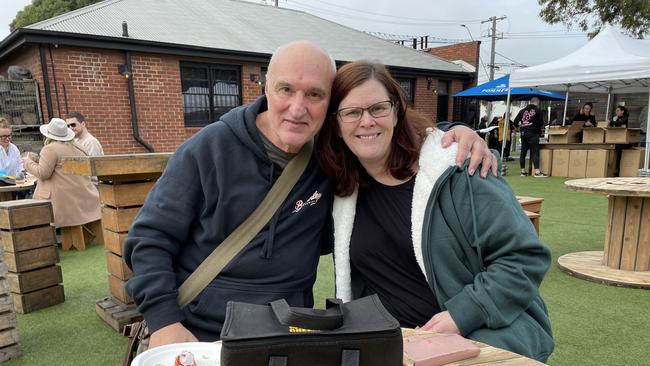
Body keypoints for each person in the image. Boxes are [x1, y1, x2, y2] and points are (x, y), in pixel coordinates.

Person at [123, 40, 498, 348]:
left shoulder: (330, 154)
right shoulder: (207, 149)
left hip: (289, 334)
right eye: (286, 89)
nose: (297, 108)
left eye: (315, 95)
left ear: (330, 106)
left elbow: (384, 129)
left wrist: (454, 134)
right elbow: (149, 239)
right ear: (267, 87)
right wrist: (164, 321)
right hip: (201, 333)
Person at [315, 60, 554, 362]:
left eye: (378, 108)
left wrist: (463, 314)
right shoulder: (338, 188)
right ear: (335, 125)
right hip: (392, 345)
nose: (367, 121)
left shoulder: (459, 168)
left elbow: (524, 256)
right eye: (351, 112)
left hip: (474, 335)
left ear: (397, 110)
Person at [21, 118, 101, 228]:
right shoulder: (81, 148)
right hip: (85, 198)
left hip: (61, 202)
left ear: (48, 135)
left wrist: (27, 162)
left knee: (28, 201)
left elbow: (43, 173)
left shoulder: (49, 149)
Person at [514, 97, 546, 177]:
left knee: (523, 152)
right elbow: (541, 123)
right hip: (533, 133)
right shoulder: (538, 110)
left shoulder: (522, 111)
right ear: (537, 102)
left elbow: (515, 122)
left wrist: (520, 127)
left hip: (523, 132)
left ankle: (523, 171)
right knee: (535, 151)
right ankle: (537, 172)